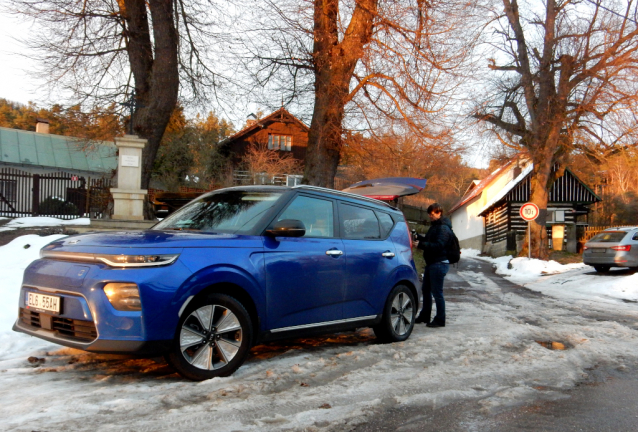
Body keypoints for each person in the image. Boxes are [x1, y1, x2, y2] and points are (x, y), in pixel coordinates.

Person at [414, 203, 452, 328]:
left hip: (439, 263)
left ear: (439, 213)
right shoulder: (435, 226)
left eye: (432, 214)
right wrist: (419, 238)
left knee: (437, 293)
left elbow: (439, 245)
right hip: (432, 263)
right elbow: (430, 241)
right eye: (429, 214)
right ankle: (425, 315)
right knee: (426, 290)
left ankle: (440, 319)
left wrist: (421, 245)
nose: (430, 216)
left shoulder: (443, 228)